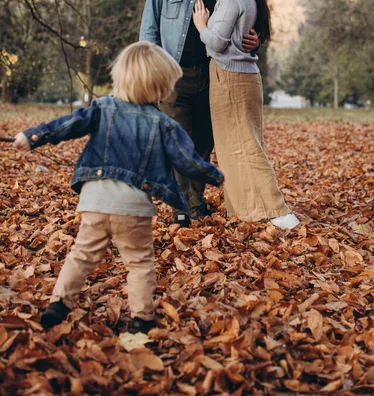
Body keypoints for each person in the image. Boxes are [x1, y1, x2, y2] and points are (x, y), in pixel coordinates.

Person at [13, 41, 224, 332]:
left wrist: (33, 136)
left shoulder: (102, 108)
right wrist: (216, 175)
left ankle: (59, 302)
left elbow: (66, 126)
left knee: (81, 255)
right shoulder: (164, 124)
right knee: (139, 264)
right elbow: (188, 162)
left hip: (95, 202)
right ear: (161, 87)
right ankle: (141, 318)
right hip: (133, 208)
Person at [139, 0, 258, 225]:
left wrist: (255, 41)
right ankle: (184, 205)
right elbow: (149, 28)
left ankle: (194, 200)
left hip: (216, 75)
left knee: (204, 141)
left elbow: (245, 27)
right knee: (180, 140)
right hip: (173, 73)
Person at [192, 0, 300, 229]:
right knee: (232, 148)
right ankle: (246, 210)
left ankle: (280, 213)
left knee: (245, 147)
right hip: (242, 77)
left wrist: (202, 25)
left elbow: (216, 42)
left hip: (231, 77)